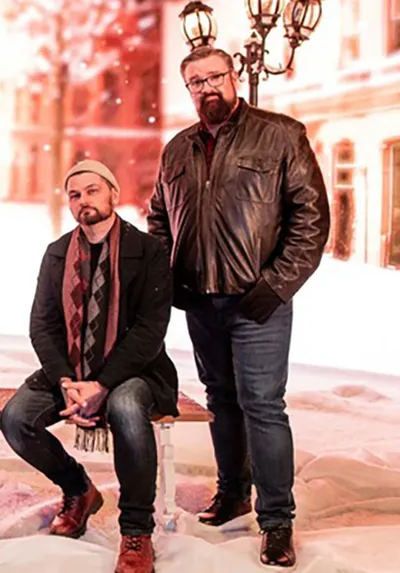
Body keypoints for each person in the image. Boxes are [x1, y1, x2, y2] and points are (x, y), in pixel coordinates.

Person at [148, 46, 331, 568]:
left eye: (214, 77)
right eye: (195, 82)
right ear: (188, 90)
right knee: (220, 399)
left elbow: (310, 220)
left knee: (264, 406)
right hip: (201, 301)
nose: (207, 88)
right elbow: (160, 219)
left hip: (260, 301)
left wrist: (274, 287)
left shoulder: (280, 135)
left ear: (234, 77)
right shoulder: (177, 149)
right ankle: (233, 493)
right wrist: (168, 281)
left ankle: (277, 521)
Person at [0, 160, 176, 573]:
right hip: (68, 371)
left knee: (127, 408)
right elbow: (41, 325)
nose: (84, 201)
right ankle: (78, 489)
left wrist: (102, 383)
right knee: (15, 419)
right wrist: (65, 381)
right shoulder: (58, 253)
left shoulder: (147, 251)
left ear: (114, 194)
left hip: (135, 369)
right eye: (75, 195)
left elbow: (151, 330)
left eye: (93, 191)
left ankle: (136, 531)